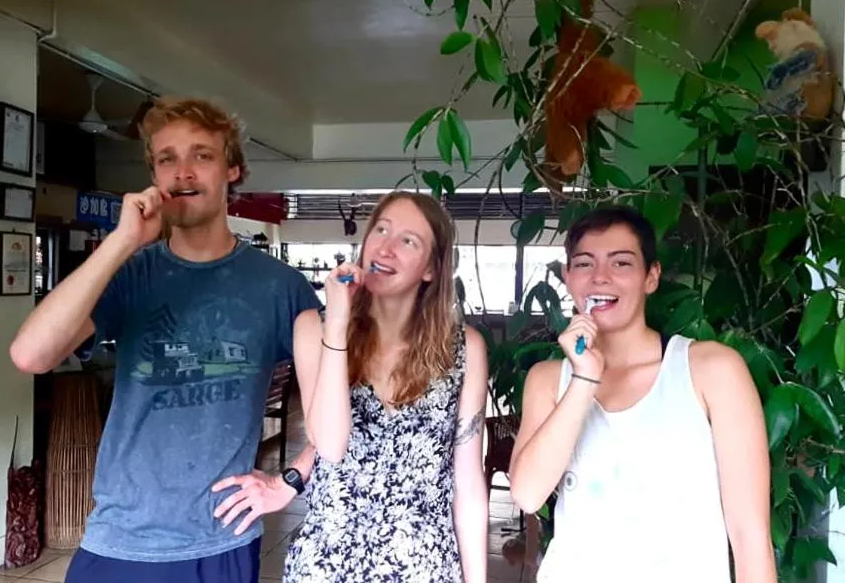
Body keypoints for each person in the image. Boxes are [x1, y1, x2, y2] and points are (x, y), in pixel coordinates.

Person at [9, 96, 321, 583]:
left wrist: (293, 478)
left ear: (232, 170)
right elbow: (31, 354)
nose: (184, 172)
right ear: (154, 175)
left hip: (219, 540)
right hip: (119, 538)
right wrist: (122, 241)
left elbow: (347, 399)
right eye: (167, 159)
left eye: (202, 155)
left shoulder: (281, 287)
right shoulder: (130, 273)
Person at [509, 205, 776, 583]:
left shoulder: (713, 370)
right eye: (584, 264)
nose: (600, 277)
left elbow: (751, 538)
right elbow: (527, 494)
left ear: (651, 277)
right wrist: (584, 379)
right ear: (568, 277)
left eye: (621, 264)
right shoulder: (549, 379)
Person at [281, 191, 490, 582]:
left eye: (408, 241)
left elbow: (468, 484)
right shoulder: (315, 327)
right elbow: (329, 443)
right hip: (329, 562)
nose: (386, 248)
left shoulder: (463, 350)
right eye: (381, 230)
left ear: (431, 269)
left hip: (423, 565)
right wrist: (339, 324)